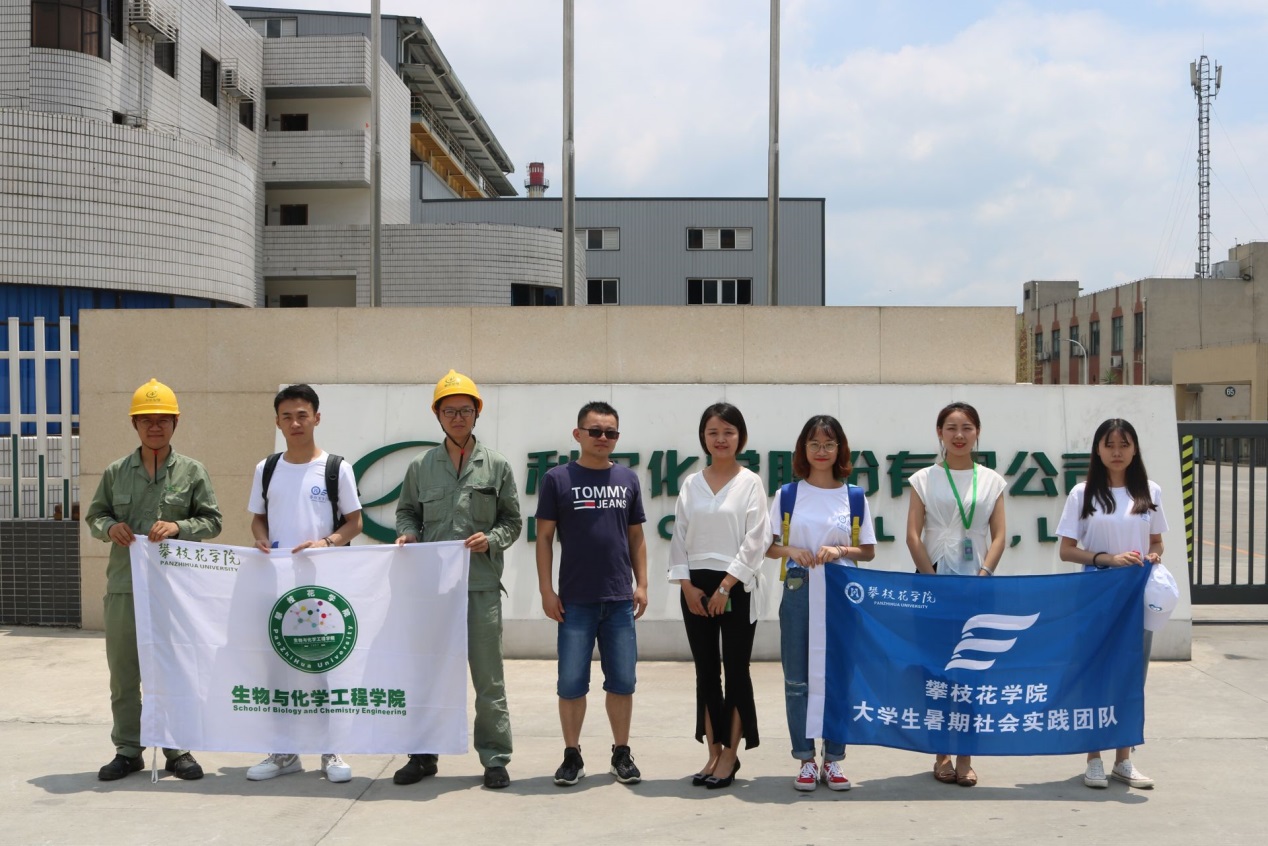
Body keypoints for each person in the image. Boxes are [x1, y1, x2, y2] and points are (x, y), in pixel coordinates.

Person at [85, 378, 223, 781]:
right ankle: (128, 750)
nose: (155, 427)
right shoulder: (116, 473)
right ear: (135, 424)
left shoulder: (193, 471)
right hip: (125, 587)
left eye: (163, 419)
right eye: (146, 420)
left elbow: (212, 521)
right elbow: (95, 516)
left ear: (176, 422)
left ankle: (177, 749)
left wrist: (180, 527)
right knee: (124, 673)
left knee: (173, 669)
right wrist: (109, 528)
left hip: (174, 591)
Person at [393, 370, 523, 789]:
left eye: (465, 410)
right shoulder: (421, 467)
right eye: (449, 411)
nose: (458, 417)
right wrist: (409, 533)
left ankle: (495, 758)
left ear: (477, 412)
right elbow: (406, 512)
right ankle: (423, 754)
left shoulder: (496, 465)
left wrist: (493, 539)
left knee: (488, 677)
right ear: (437, 415)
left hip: (480, 587)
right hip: (434, 590)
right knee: (428, 674)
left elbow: (513, 521)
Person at [244, 384, 364, 783]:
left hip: (323, 590)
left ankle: (331, 751)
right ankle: (284, 752)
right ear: (277, 422)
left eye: (302, 415)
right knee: (279, 669)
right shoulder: (266, 468)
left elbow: (355, 522)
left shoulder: (336, 468)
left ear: (316, 418)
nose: (295, 423)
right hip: (278, 588)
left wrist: (326, 543)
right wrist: (261, 539)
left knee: (325, 668)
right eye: (287, 417)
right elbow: (258, 519)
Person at [536, 401, 648, 787]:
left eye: (610, 432)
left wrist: (642, 584)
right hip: (575, 600)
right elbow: (544, 537)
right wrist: (546, 590)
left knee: (623, 681)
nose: (603, 438)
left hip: (619, 600)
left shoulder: (628, 479)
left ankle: (621, 753)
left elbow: (636, 536)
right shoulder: (557, 479)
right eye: (595, 431)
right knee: (570, 682)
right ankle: (572, 754)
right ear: (578, 434)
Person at [766, 415, 875, 792]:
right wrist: (791, 550)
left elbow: (868, 551)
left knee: (839, 676)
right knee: (797, 678)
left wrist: (841, 550)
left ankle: (834, 759)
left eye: (829, 444)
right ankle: (805, 760)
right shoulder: (788, 494)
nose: (822, 451)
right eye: (814, 444)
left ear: (840, 449)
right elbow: (768, 546)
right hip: (799, 588)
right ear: (803, 449)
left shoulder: (854, 496)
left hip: (841, 592)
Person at [1056, 417, 1166, 791]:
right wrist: (1108, 559)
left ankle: (1124, 759)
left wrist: (1153, 556)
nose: (1117, 452)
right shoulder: (1082, 493)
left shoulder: (1150, 491)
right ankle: (1093, 758)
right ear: (1098, 451)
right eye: (1110, 445)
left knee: (1132, 675)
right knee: (1096, 673)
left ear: (1134, 449)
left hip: (1136, 594)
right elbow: (1067, 550)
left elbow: (1157, 541)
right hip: (1096, 594)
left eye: (1124, 444)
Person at [668, 403, 770, 790]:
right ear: (703, 438)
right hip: (695, 587)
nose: (721, 439)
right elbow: (679, 537)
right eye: (713, 432)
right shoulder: (691, 484)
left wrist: (726, 586)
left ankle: (731, 753)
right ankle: (712, 751)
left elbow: (756, 539)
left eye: (728, 432)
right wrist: (686, 586)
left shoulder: (750, 483)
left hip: (737, 586)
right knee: (706, 670)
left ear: (740, 437)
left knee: (737, 669)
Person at [905, 400, 1007, 788]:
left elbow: (999, 536)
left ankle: (965, 755)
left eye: (966, 427)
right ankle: (941, 753)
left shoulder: (992, 481)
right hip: (932, 583)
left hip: (975, 585)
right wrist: (932, 580)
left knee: (971, 672)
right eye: (951, 428)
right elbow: (913, 535)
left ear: (977, 432)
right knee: (936, 670)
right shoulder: (924, 479)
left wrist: (983, 574)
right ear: (940, 433)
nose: (959, 435)